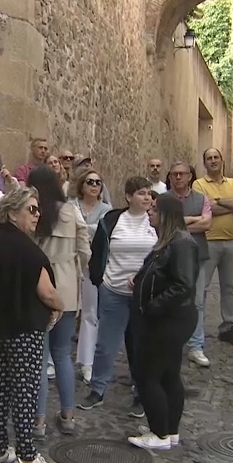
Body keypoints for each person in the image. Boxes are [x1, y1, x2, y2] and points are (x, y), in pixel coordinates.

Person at [0, 187, 63, 463]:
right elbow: (47, 292)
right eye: (32, 209)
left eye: (38, 209)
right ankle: (26, 456)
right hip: (24, 327)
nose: (37, 215)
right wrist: (59, 306)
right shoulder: (26, 248)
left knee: (2, 386)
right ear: (13, 212)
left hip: (1, 326)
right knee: (26, 389)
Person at [78, 177, 157, 417]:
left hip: (143, 296)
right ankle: (98, 389)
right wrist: (99, 280)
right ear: (128, 196)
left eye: (149, 194)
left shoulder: (155, 222)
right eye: (141, 193)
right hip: (113, 291)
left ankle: (140, 392)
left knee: (141, 347)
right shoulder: (112, 221)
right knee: (106, 346)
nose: (147, 198)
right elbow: (99, 252)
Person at [126, 193, 199, 450]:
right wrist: (141, 281)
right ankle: (169, 430)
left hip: (169, 318)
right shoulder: (168, 241)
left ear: (167, 213)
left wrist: (153, 305)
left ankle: (159, 434)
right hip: (168, 317)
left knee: (149, 375)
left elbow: (184, 284)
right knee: (168, 375)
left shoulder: (181, 243)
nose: (149, 212)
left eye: (155, 209)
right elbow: (163, 275)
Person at [27, 166, 91, 438]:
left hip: (38, 285)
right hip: (65, 286)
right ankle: (68, 415)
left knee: (39, 358)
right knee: (63, 354)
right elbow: (85, 251)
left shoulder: (31, 211)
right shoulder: (71, 211)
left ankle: (38, 421)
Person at [192, 148, 233, 347]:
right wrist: (228, 206)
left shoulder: (232, 183)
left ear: (222, 160)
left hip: (232, 241)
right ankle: (196, 330)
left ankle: (228, 327)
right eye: (209, 158)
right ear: (204, 163)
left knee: (229, 287)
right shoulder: (198, 184)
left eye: (216, 157)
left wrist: (219, 202)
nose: (213, 161)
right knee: (202, 287)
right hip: (207, 242)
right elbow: (204, 209)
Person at [165, 162, 212, 367]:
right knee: (169, 300)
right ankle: (171, 342)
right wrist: (194, 220)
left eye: (181, 174)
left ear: (190, 177)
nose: (177, 177)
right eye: (174, 174)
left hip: (196, 255)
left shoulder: (201, 199)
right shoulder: (163, 200)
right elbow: (162, 224)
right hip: (169, 257)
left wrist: (178, 224)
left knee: (197, 301)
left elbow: (207, 224)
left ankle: (196, 345)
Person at [72, 168, 113, 384]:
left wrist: (85, 230)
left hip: (91, 265)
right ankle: (50, 360)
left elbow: (105, 234)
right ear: (82, 185)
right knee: (65, 311)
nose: (94, 185)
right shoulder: (71, 206)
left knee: (90, 313)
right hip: (70, 263)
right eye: (90, 181)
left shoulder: (107, 209)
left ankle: (87, 362)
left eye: (98, 182)